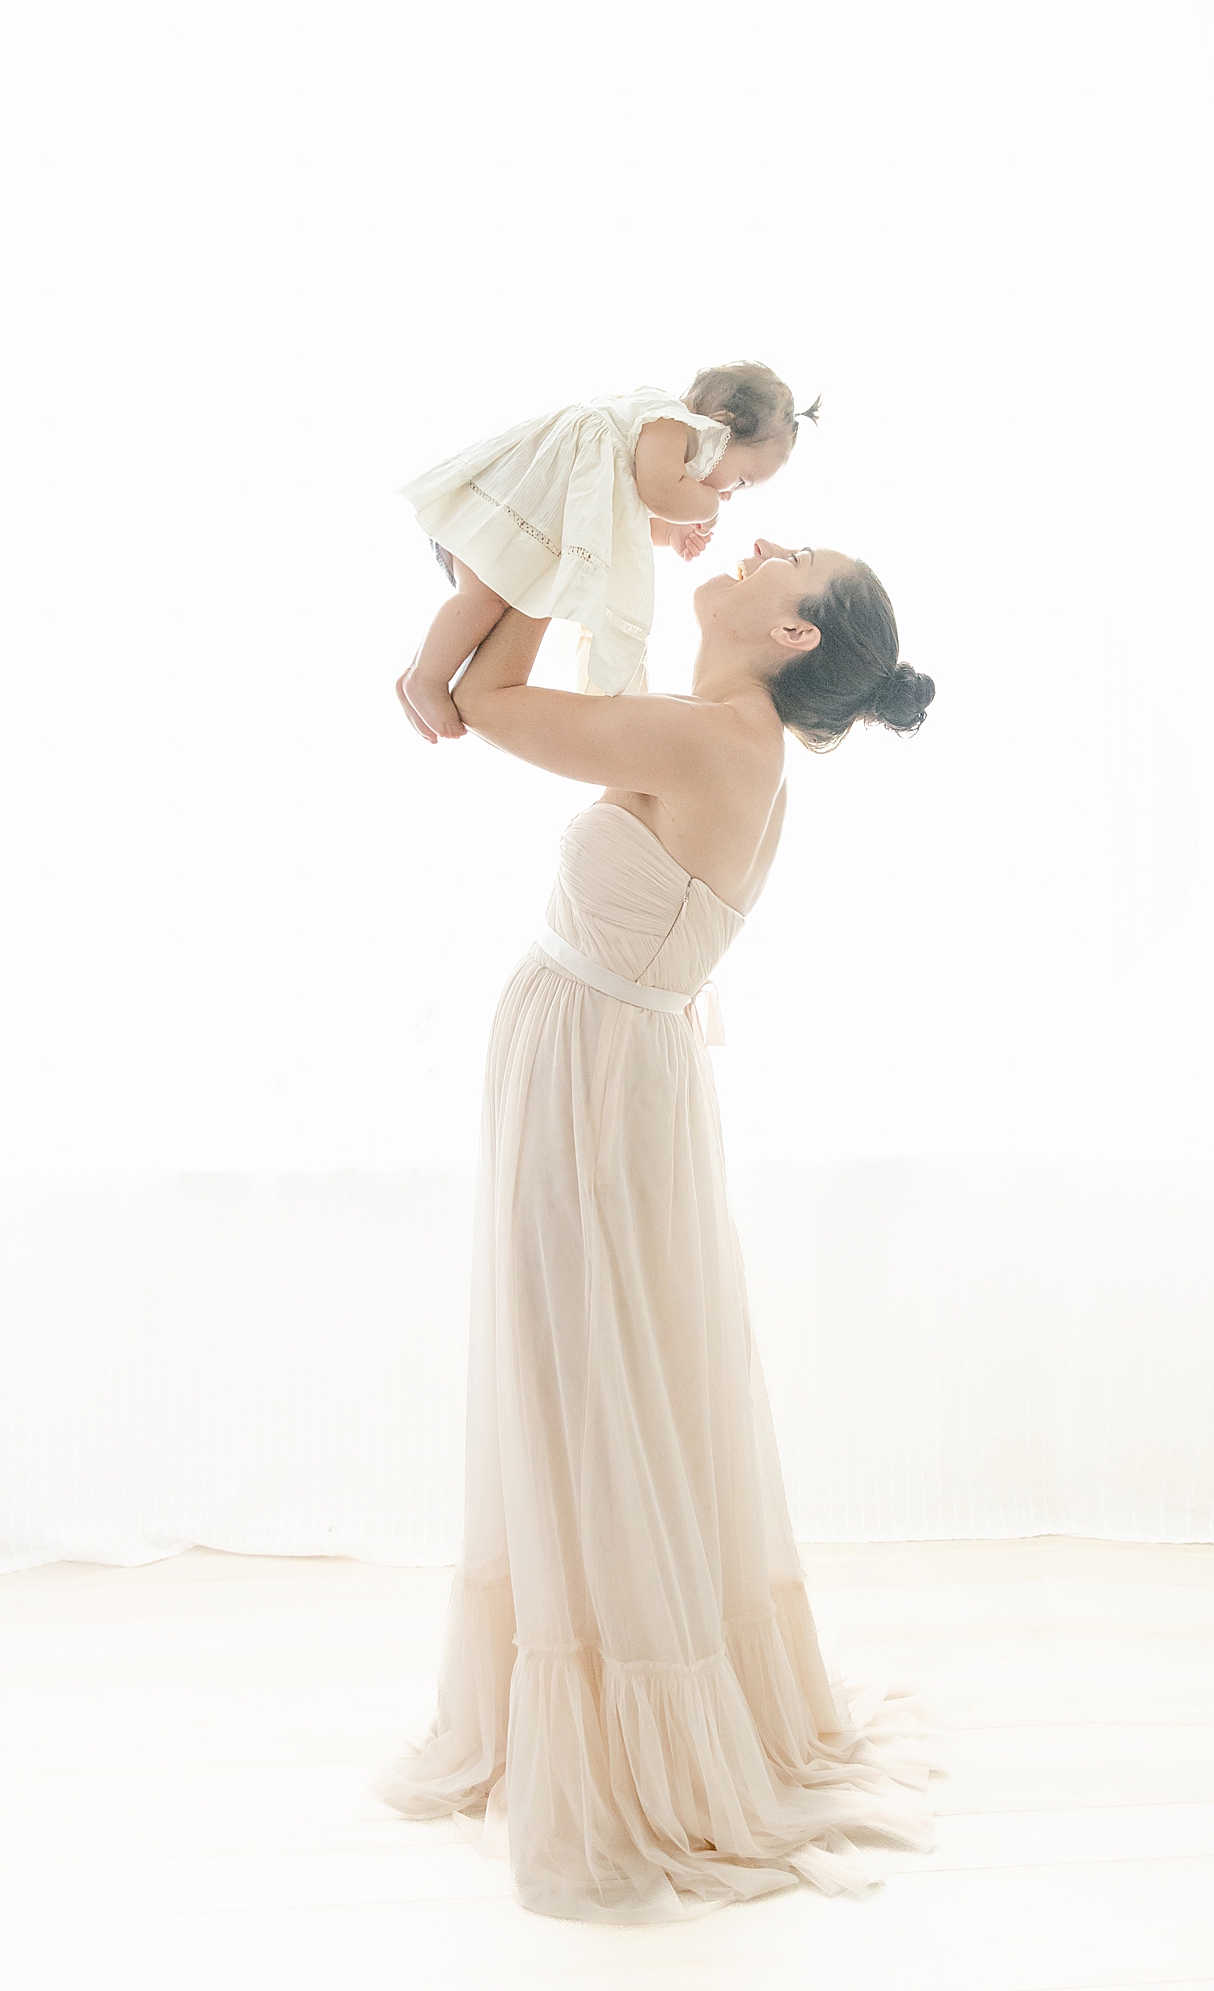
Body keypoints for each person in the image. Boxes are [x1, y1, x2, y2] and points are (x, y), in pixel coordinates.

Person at [383, 540, 935, 1921]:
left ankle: (627, 1731)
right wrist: (518, 572)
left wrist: (525, 559)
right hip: (603, 1065)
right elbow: (484, 692)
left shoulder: (710, 738)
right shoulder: (723, 735)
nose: (754, 548)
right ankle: (606, 1690)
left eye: (784, 560)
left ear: (797, 636)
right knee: (594, 1373)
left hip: (598, 1079)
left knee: (590, 1376)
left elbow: (483, 702)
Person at [396, 362, 818, 737]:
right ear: (723, 424)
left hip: (523, 529)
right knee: (482, 598)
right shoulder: (668, 420)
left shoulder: (657, 453)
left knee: (496, 603)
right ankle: (426, 679)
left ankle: (422, 672)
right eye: (741, 481)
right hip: (505, 513)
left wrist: (669, 536)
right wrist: (705, 507)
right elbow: (657, 491)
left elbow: (621, 522)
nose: (728, 495)